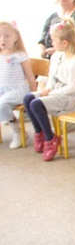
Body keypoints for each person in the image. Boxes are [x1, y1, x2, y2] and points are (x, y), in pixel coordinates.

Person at [23, 18, 75, 161]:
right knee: (28, 98)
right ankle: (40, 133)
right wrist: (48, 88)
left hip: (68, 97)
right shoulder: (56, 56)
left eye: (53, 40)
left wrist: (51, 92)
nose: (51, 43)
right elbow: (51, 77)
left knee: (36, 104)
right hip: (54, 92)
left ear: (65, 43)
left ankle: (51, 139)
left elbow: (72, 87)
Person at [0, 21, 38, 149]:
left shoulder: (20, 56)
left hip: (17, 90)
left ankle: (18, 130)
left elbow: (31, 77)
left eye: (6, 36)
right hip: (2, 88)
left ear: (15, 37)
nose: (2, 39)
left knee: (2, 105)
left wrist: (35, 95)